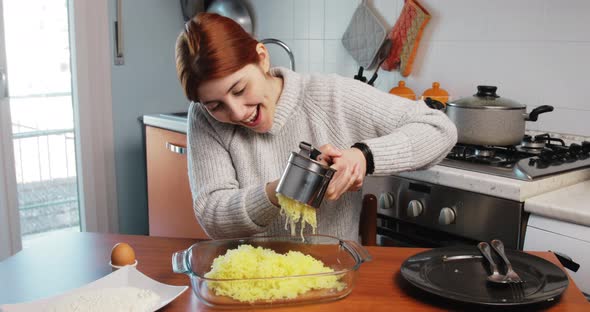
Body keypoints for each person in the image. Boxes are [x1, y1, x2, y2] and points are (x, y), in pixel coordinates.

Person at [175, 13, 457, 241]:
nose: (236, 112)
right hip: (248, 280)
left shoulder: (332, 94)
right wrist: (279, 191)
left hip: (329, 275)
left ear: (262, 57)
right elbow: (213, 217)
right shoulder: (203, 119)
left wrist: (363, 156)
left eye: (239, 89)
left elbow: (438, 128)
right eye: (215, 105)